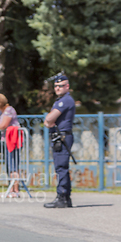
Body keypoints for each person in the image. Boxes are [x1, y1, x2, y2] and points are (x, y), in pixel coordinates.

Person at [43, 75, 75, 208]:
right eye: (56, 86)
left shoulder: (65, 100)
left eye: (60, 86)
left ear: (67, 86)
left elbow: (49, 120)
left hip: (62, 137)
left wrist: (48, 121)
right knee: (61, 167)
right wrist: (48, 121)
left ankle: (62, 197)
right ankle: (65, 198)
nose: (57, 88)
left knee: (61, 167)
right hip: (59, 136)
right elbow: (47, 121)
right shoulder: (61, 100)